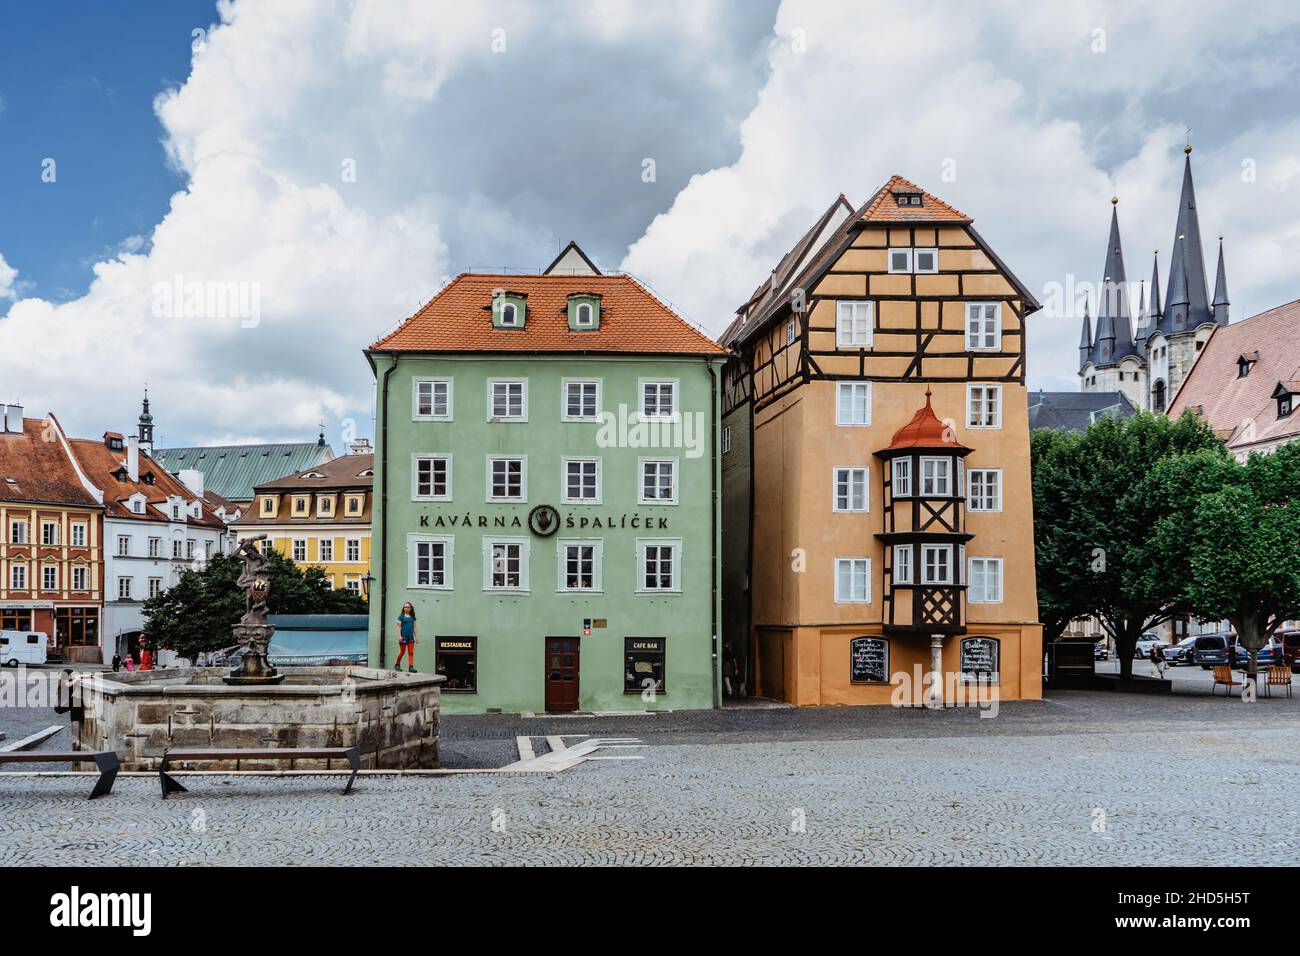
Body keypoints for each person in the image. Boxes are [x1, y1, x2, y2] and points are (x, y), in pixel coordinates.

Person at [395, 603, 418, 672]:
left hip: (411, 638)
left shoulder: (412, 617)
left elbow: (414, 627)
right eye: (405, 607)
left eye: (408, 607)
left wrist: (416, 636)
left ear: (411, 608)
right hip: (403, 637)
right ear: (403, 608)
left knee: (411, 652)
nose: (407, 608)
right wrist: (399, 636)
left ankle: (411, 667)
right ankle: (397, 664)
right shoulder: (401, 616)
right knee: (402, 652)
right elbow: (398, 627)